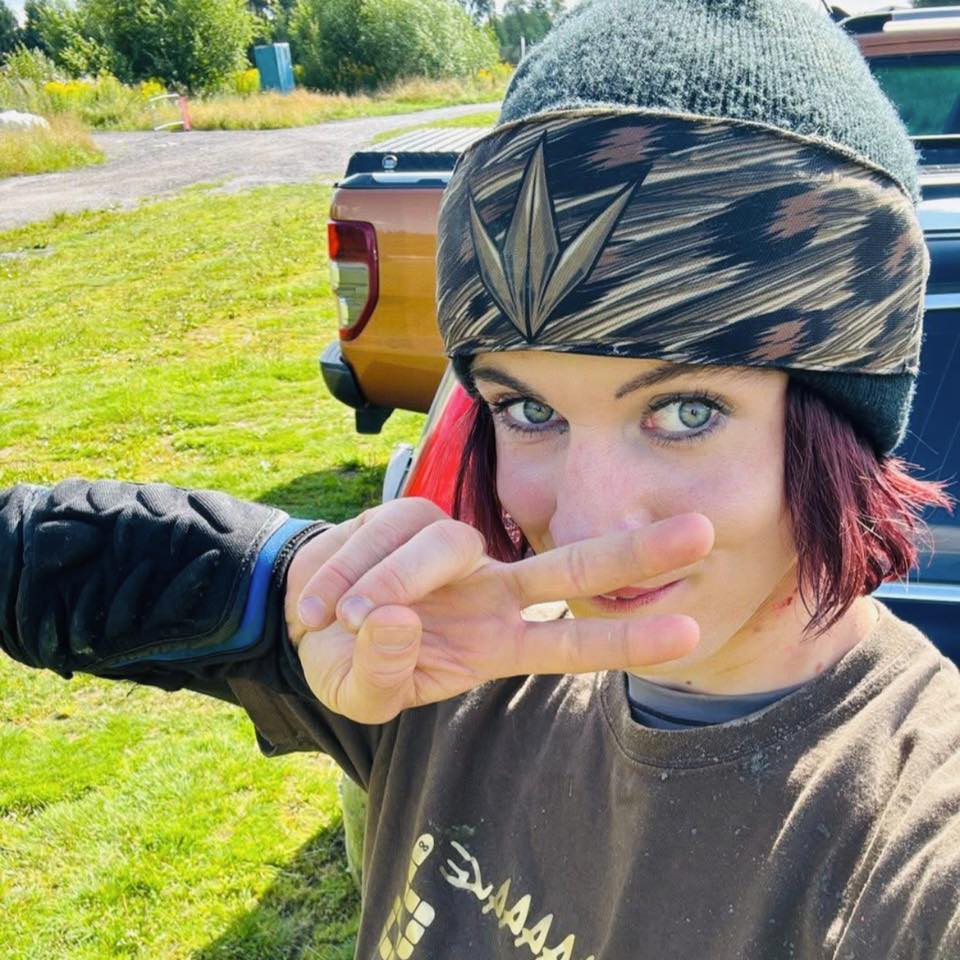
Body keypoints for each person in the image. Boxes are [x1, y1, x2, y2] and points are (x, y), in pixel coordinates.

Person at [2, 0, 959, 956]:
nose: (584, 521)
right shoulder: (453, 660)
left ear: (840, 420)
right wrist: (287, 589)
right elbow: (45, 563)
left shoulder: (910, 833)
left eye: (685, 412)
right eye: (529, 411)